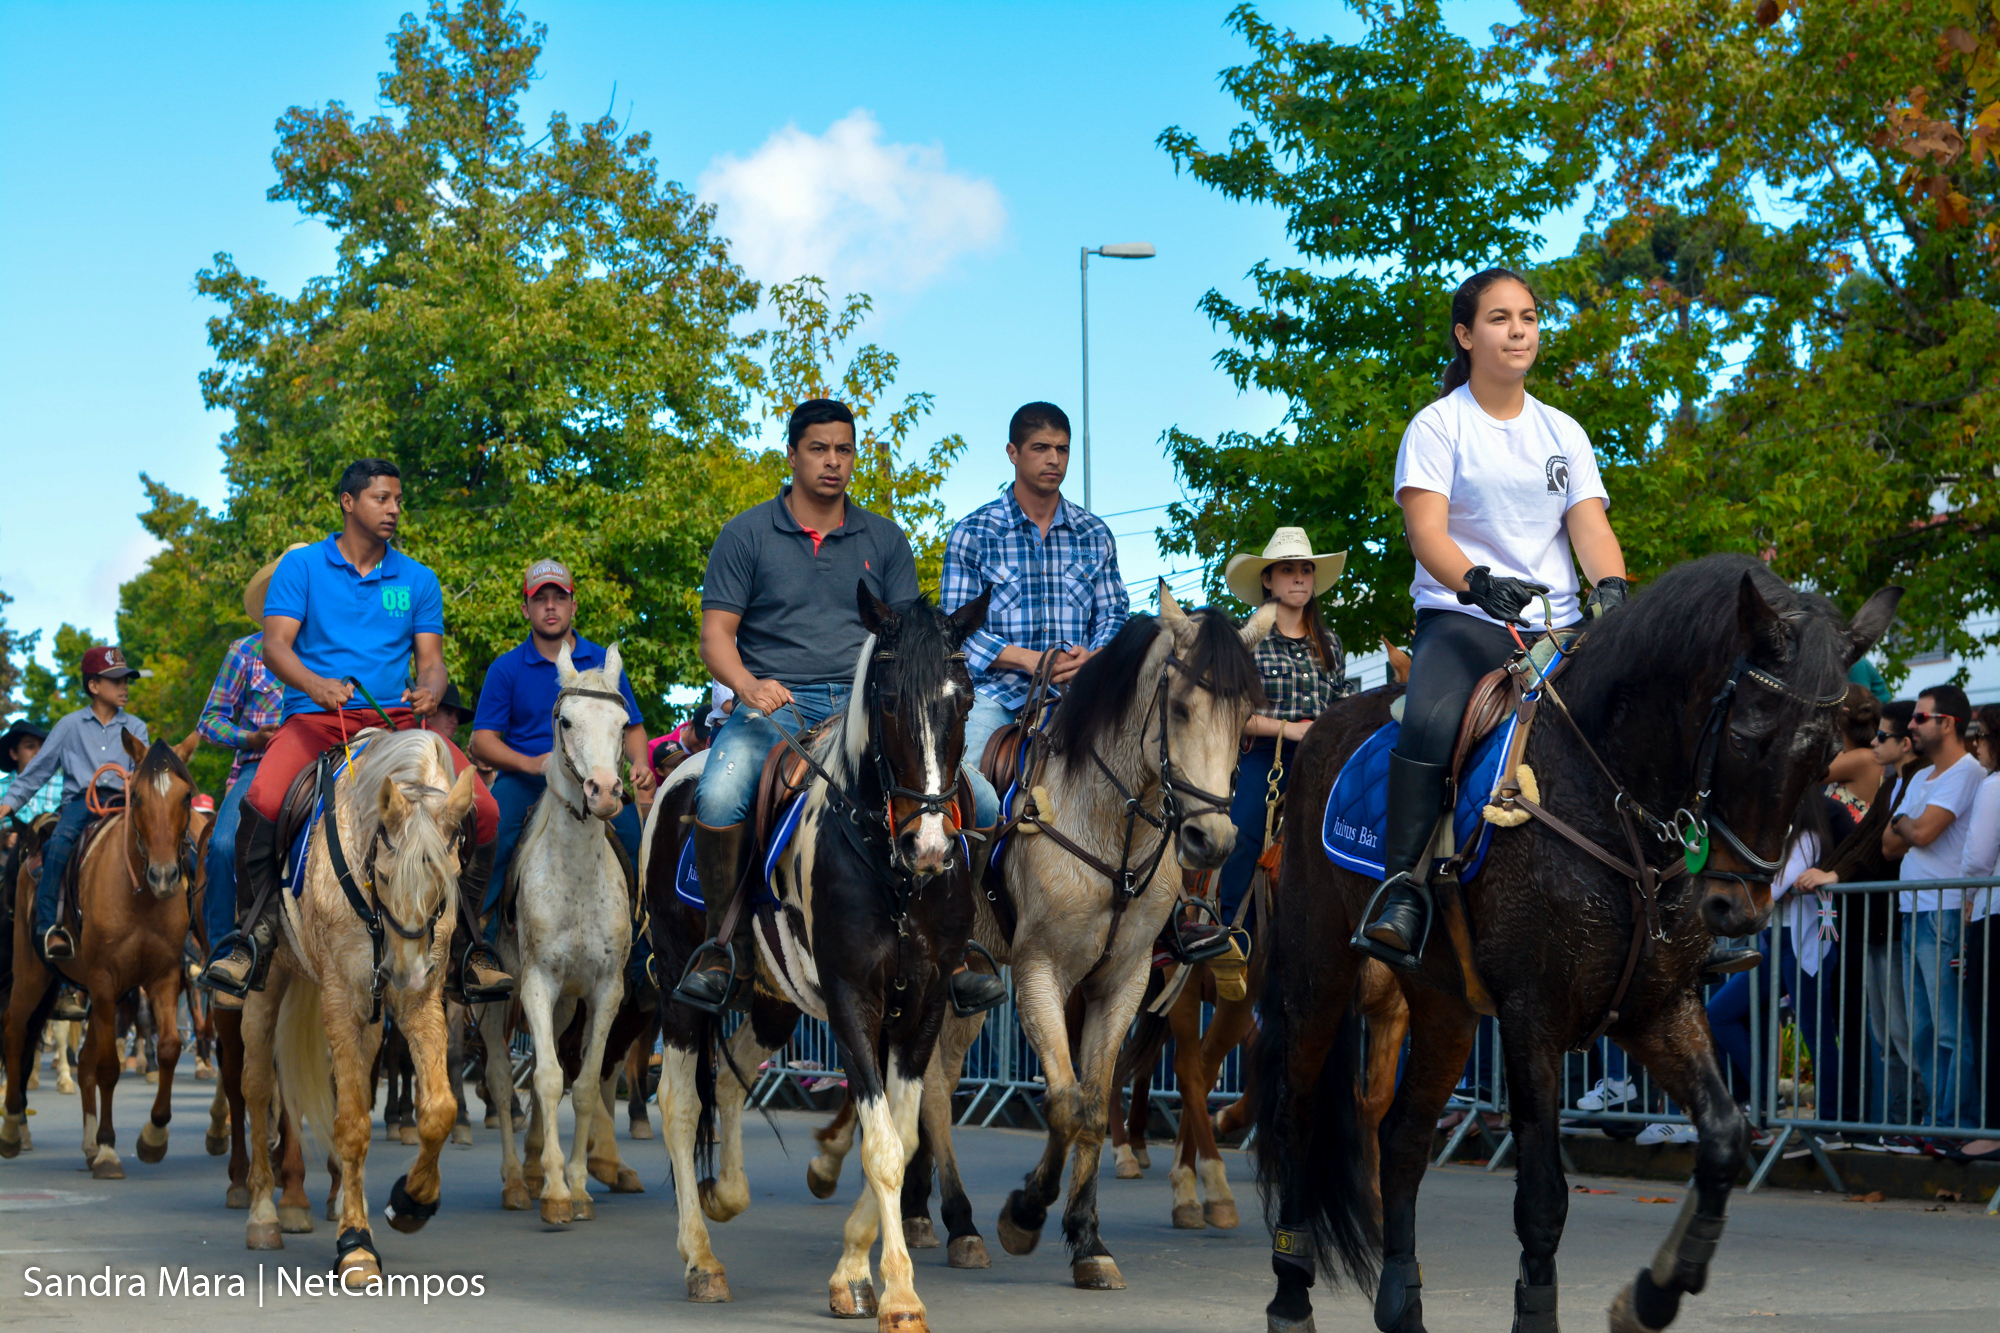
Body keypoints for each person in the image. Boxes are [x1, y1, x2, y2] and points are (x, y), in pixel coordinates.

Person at [674, 399, 1011, 1016]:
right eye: (819, 449)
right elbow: (715, 637)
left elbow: (909, 640)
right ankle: (725, 951)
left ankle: (956, 946)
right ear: (792, 455)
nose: (833, 461)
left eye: (844, 449)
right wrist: (747, 685)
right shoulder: (745, 534)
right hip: (778, 703)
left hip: (871, 708)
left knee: (984, 801)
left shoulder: (884, 537)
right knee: (719, 794)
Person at [1354, 268, 1629, 970]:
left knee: (1642, 715)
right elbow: (1426, 533)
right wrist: (1476, 582)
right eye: (1500, 318)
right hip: (1462, 618)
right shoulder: (1438, 425)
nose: (1518, 331)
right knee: (1430, 719)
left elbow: (1590, 528)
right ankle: (1401, 889)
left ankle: (1677, 897)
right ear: (1466, 334)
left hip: (1559, 627)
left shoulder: (1564, 431)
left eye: (1528, 317)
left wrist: (1611, 588)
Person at [197, 459, 505, 1005]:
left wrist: (431, 689)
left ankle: (466, 947)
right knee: (261, 802)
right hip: (315, 721)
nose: (393, 509)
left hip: (396, 726)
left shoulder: (418, 579)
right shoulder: (302, 567)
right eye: (381, 498)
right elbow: (275, 647)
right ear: (348, 502)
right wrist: (314, 685)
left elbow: (432, 662)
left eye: (398, 500)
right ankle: (253, 936)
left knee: (486, 810)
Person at [940, 401, 1129, 828]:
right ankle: (968, 868)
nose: (1054, 459)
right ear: (1013, 452)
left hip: (1080, 697)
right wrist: (1029, 660)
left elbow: (1115, 613)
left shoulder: (1095, 534)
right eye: (1041, 448)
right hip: (993, 697)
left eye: (1062, 449)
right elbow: (955, 630)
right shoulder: (974, 533)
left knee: (1135, 788)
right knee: (959, 788)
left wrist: (1095, 656)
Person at [469, 557, 653, 937]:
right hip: (526, 780)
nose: (550, 606)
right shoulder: (506, 668)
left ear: (574, 605)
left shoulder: (601, 662)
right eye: (540, 599)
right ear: (526, 609)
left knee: (634, 837)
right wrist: (531, 764)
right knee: (494, 833)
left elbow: (632, 726)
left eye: (559, 597)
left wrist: (639, 761)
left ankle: (642, 951)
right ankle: (479, 945)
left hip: (593, 776)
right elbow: (481, 742)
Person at [1213, 527, 1349, 928]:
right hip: (1266, 756)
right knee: (1243, 833)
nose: (1299, 578)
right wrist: (1288, 730)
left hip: (1326, 757)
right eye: (1287, 570)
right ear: (1267, 580)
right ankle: (1232, 933)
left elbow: (1341, 704)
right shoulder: (1248, 641)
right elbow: (1231, 713)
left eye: (1306, 570)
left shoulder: (1330, 643)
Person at [0, 646, 152, 972]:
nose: (124, 687)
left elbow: (145, 771)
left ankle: (174, 923)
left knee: (163, 843)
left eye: (126, 680)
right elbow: (37, 771)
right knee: (57, 845)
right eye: (116, 680)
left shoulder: (137, 727)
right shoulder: (69, 726)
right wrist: (6, 805)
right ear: (94, 686)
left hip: (124, 802)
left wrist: (136, 778)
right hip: (82, 801)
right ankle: (50, 926)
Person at [1883, 684, 1983, 1131]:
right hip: (1914, 911)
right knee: (1921, 1029)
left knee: (1948, 1027)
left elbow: (1920, 834)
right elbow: (1888, 846)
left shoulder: (1967, 772)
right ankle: (1937, 1122)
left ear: (1948, 724)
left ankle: (1955, 1122)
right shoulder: (1922, 777)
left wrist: (1905, 823)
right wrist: (1910, 826)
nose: (1911, 725)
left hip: (1945, 913)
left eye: (1920, 718)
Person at [194, 559, 293, 960]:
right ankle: (221, 953)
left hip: (324, 761)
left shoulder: (333, 651)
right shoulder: (245, 651)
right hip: (259, 764)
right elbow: (209, 722)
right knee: (221, 846)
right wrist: (249, 737)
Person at [1953, 703, 2000, 1157]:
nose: (1976, 745)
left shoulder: (1994, 785)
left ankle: (1992, 1131)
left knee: (1989, 1022)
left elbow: (1977, 859)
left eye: (1981, 735)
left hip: (1995, 914)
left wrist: (1968, 897)